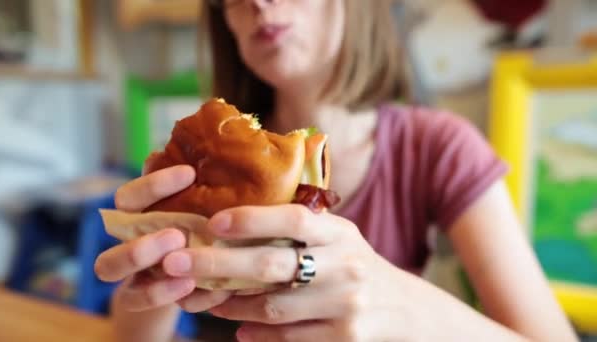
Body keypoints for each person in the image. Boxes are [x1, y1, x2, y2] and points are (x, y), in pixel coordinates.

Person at [94, 1, 578, 341]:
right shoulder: (205, 157)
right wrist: (155, 267)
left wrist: (398, 303)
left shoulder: (436, 147)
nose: (259, 3)